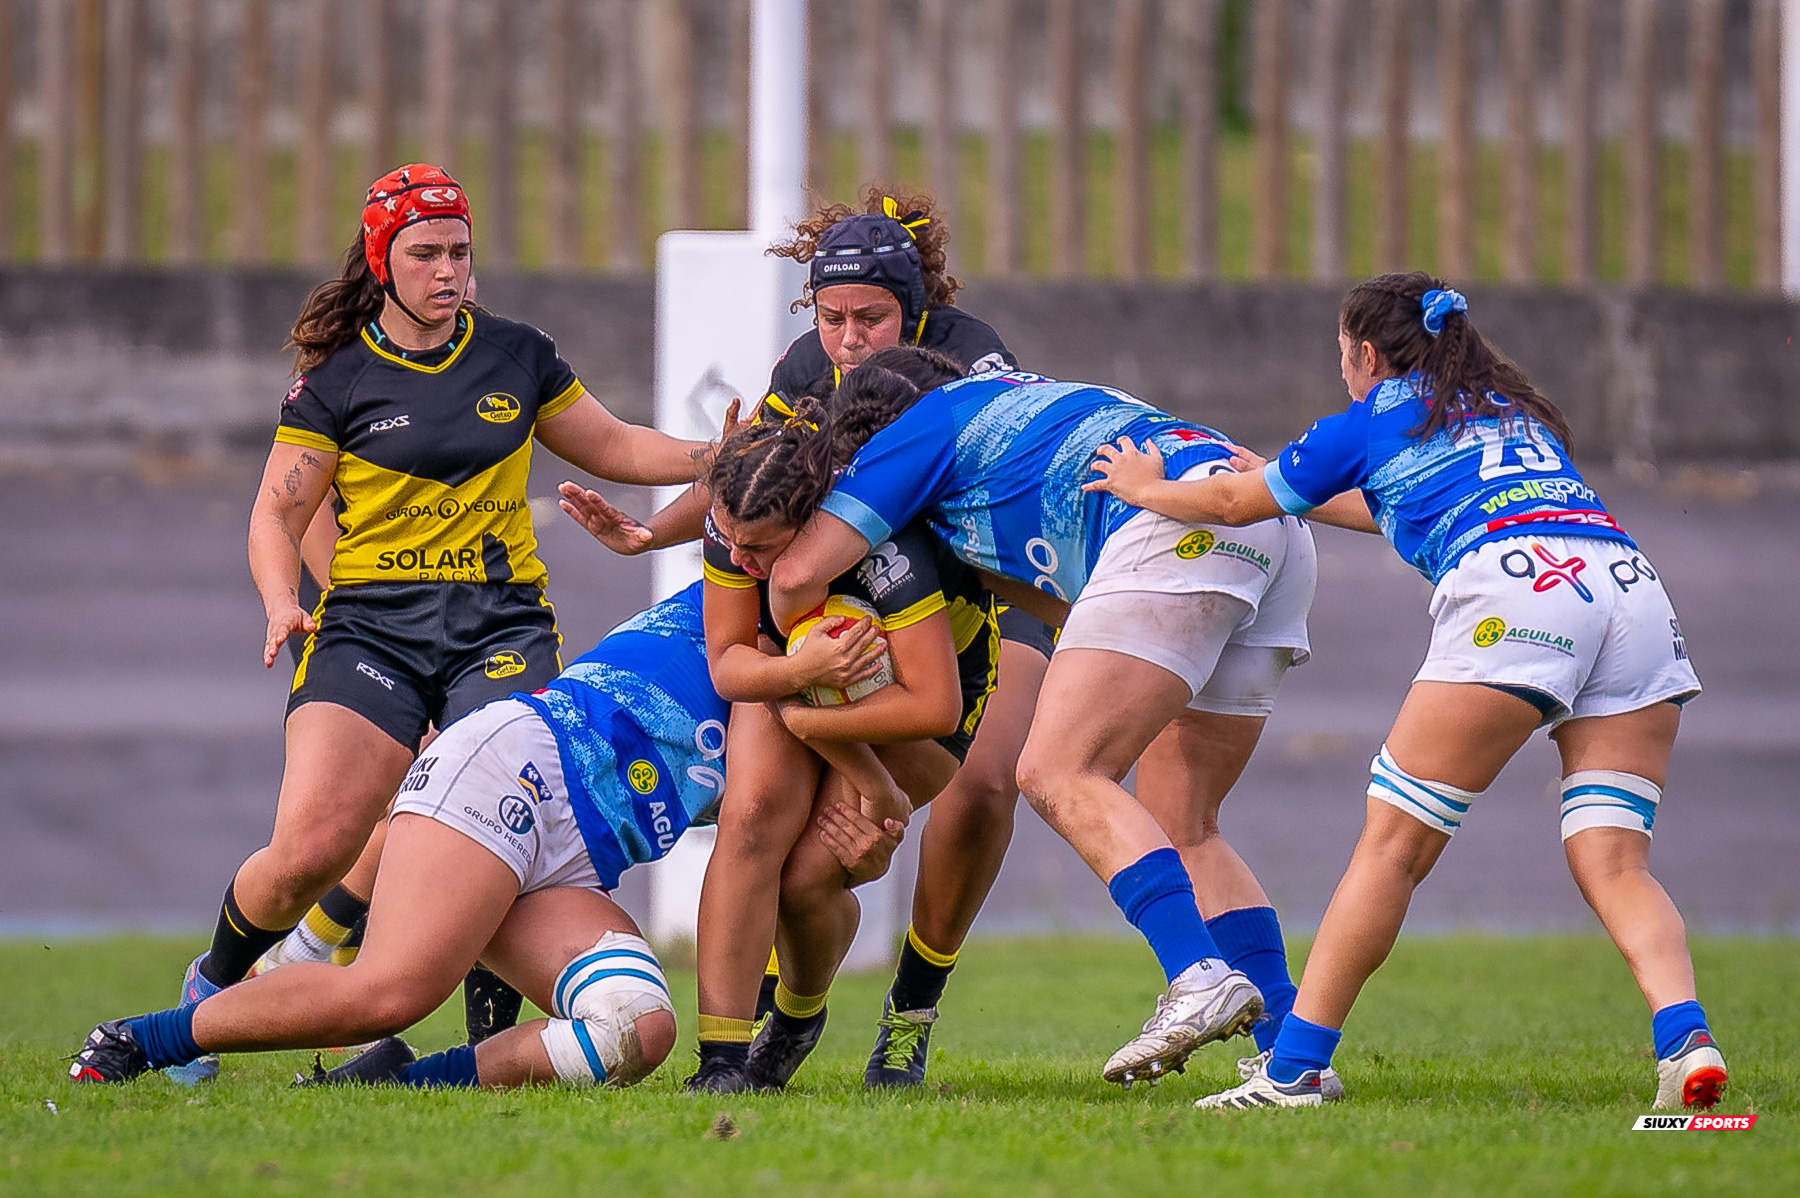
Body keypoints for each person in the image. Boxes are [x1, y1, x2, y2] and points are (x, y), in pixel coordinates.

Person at [1085, 272, 1724, 1112]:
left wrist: (1144, 488)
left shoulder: (1371, 417)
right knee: (1615, 858)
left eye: (1341, 353)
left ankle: (1294, 1070)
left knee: (1392, 849)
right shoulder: (1511, 409)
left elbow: (1236, 503)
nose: (1341, 368)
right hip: (1632, 595)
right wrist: (1297, 490)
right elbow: (1402, 501)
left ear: (1367, 352)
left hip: (1520, 594)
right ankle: (1686, 1041)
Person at [173, 164, 715, 1075]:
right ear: (382, 261)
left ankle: (473, 1050)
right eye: (425, 254)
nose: (448, 271)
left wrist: (719, 451)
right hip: (369, 631)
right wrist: (281, 603)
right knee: (308, 851)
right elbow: (276, 513)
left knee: (498, 830)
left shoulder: (518, 355)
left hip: (499, 631)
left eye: (459, 252)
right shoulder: (336, 381)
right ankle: (210, 987)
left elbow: (618, 444)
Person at [768, 354, 1335, 1088]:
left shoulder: (920, 428)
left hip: (1176, 525)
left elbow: (795, 573)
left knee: (1055, 770)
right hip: (1263, 525)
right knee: (1185, 823)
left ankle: (1197, 976)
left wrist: (791, 678)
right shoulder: (1012, 420)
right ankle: (1293, 1062)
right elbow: (1064, 605)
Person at [70, 584, 728, 1091]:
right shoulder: (745, 598)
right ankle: (140, 1041)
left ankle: (397, 1083)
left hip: (578, 860)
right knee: (389, 992)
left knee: (636, 1023)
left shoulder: (789, 646)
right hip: (520, 771)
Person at [686, 375, 1003, 1093]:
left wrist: (819, 725)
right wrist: (807, 682)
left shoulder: (887, 545)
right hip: (796, 678)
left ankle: (796, 1020)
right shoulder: (735, 523)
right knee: (751, 815)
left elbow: (933, 707)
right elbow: (731, 664)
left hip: (916, 706)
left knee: (807, 878)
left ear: (810, 528)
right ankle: (721, 1063)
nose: (741, 562)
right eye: (730, 541)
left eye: (759, 550)